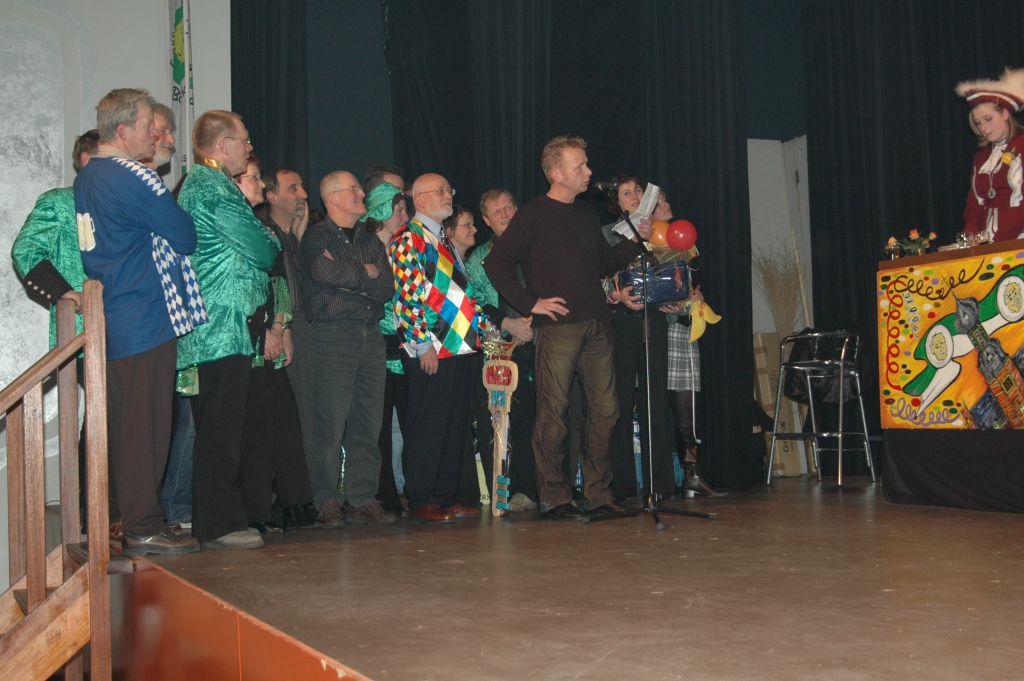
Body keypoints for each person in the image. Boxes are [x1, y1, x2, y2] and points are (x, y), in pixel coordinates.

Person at [483, 135, 647, 522]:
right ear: (557, 174)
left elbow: (603, 264)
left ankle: (598, 493)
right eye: (580, 166)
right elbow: (496, 264)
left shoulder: (586, 214)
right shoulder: (532, 215)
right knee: (554, 413)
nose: (588, 171)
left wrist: (637, 240)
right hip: (558, 329)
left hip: (597, 324)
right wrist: (530, 303)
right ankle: (554, 497)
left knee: (606, 411)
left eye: (586, 164)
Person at [73, 88, 201, 556]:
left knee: (126, 425)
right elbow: (184, 235)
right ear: (124, 131)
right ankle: (144, 524)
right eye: (150, 126)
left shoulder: (89, 175)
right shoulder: (134, 175)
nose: (156, 135)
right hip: (145, 312)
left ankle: (128, 519)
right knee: (147, 426)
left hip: (113, 311)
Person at [177, 110, 281, 550]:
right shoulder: (212, 189)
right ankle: (218, 524)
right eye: (245, 140)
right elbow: (264, 249)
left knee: (222, 426)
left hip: (224, 325)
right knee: (221, 428)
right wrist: (269, 239)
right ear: (222, 145)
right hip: (218, 325)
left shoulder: (209, 185)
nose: (249, 148)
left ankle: (214, 520)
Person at [391, 173, 492, 522]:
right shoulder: (409, 237)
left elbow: (462, 296)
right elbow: (406, 296)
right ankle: (422, 498)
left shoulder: (442, 239)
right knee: (428, 424)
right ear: (420, 200)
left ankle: (446, 496)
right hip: (433, 347)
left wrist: (487, 331)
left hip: (460, 346)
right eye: (440, 191)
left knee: (454, 425)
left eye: (450, 189)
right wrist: (422, 345)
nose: (448, 195)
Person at [301, 171, 398, 526]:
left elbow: (386, 287)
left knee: (368, 423)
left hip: (370, 336)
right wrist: (365, 274)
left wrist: (354, 278)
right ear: (332, 198)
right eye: (354, 189)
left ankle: (361, 496)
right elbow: (325, 275)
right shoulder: (316, 236)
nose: (361, 193)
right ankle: (327, 499)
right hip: (333, 336)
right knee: (329, 422)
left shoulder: (370, 239)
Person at [234, 155, 322, 533]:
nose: (303, 195)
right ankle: (257, 511)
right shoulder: (250, 228)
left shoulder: (283, 234)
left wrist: (282, 325)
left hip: (275, 330)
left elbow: (280, 284)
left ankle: (296, 503)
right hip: (246, 338)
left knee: (286, 421)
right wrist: (268, 329)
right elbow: (251, 286)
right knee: (259, 427)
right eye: (252, 178)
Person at [601, 174, 677, 504]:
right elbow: (593, 277)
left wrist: (676, 298)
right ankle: (623, 486)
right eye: (626, 193)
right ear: (615, 202)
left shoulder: (659, 232)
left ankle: (659, 484)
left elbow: (674, 275)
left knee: (655, 400)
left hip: (654, 321)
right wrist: (615, 295)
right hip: (619, 323)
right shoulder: (606, 234)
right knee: (618, 401)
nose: (634, 196)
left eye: (638, 191)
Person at [464, 189, 539, 512]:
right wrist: (508, 323)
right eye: (497, 212)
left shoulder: (539, 246)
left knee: (548, 418)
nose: (505, 215)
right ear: (486, 220)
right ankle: (517, 490)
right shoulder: (478, 259)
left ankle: (551, 489)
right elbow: (474, 304)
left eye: (509, 208)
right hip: (501, 349)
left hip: (546, 342)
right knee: (510, 421)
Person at [650, 189, 727, 498]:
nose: (667, 205)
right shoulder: (642, 249)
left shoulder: (686, 246)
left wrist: (696, 295)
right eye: (660, 203)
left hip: (682, 333)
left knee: (686, 408)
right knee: (655, 408)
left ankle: (692, 475)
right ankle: (657, 480)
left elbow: (700, 281)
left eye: (667, 199)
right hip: (655, 334)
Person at [362, 182, 413, 514]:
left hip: (405, 347)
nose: (405, 216)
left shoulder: (403, 247)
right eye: (398, 210)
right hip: (375, 348)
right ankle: (383, 495)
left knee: (408, 424)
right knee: (377, 427)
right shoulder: (363, 248)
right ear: (381, 213)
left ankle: (410, 488)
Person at [958, 68, 1024, 242]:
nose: (983, 128)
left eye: (988, 119)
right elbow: (974, 205)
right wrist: (971, 235)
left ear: (1005, 113)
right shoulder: (981, 157)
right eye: (978, 123)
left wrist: (999, 241)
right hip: (988, 240)